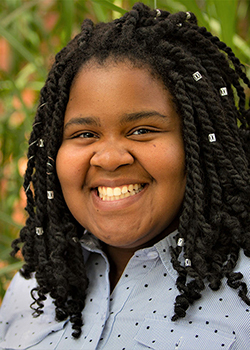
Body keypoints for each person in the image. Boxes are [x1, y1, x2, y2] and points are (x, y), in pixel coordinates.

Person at [0, 2, 249, 349]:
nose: (110, 158)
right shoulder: (32, 290)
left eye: (142, 130)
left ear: (199, 143)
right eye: (84, 134)